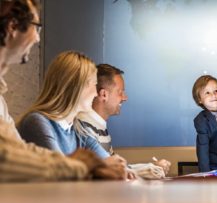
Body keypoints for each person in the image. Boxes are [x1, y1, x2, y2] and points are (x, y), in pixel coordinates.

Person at [0, 0, 125, 181]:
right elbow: (6, 159)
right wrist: (80, 165)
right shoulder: (37, 121)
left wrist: (84, 165)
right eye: (36, 27)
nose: (37, 38)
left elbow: (19, 150)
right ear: (13, 26)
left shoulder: (2, 101)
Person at [17, 51, 129, 178]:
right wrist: (96, 168)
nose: (95, 93)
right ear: (77, 87)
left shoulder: (77, 130)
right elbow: (60, 172)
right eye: (93, 85)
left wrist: (111, 168)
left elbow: (112, 165)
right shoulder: (37, 122)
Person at [78, 63, 171, 177]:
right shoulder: (84, 126)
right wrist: (149, 169)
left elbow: (115, 166)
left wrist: (151, 167)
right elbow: (107, 172)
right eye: (120, 92)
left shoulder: (99, 125)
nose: (125, 97)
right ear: (103, 94)